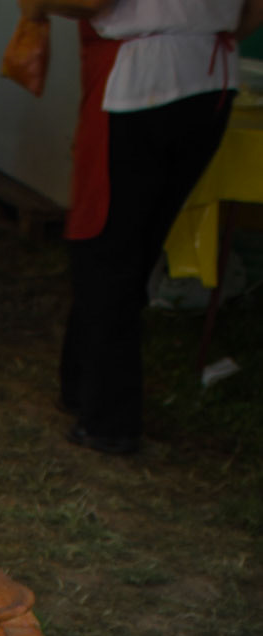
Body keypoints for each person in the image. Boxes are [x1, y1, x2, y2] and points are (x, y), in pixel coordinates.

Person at [20, 0, 263, 454]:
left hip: (142, 79)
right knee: (134, 246)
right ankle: (80, 387)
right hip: (212, 78)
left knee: (105, 246)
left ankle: (110, 419)